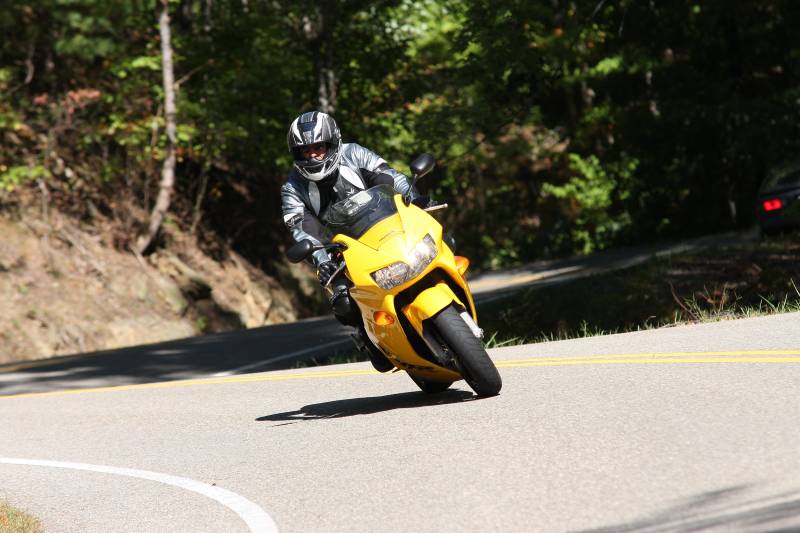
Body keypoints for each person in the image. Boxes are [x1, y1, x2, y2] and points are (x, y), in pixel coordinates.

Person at [280, 110, 427, 372]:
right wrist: (322, 260)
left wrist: (414, 200)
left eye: (318, 147)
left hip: (387, 228)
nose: (313, 155)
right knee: (344, 303)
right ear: (296, 154)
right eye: (306, 151)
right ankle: (368, 337)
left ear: (332, 142)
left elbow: (389, 177)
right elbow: (301, 229)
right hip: (341, 251)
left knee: (438, 241)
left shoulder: (354, 153)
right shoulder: (292, 188)